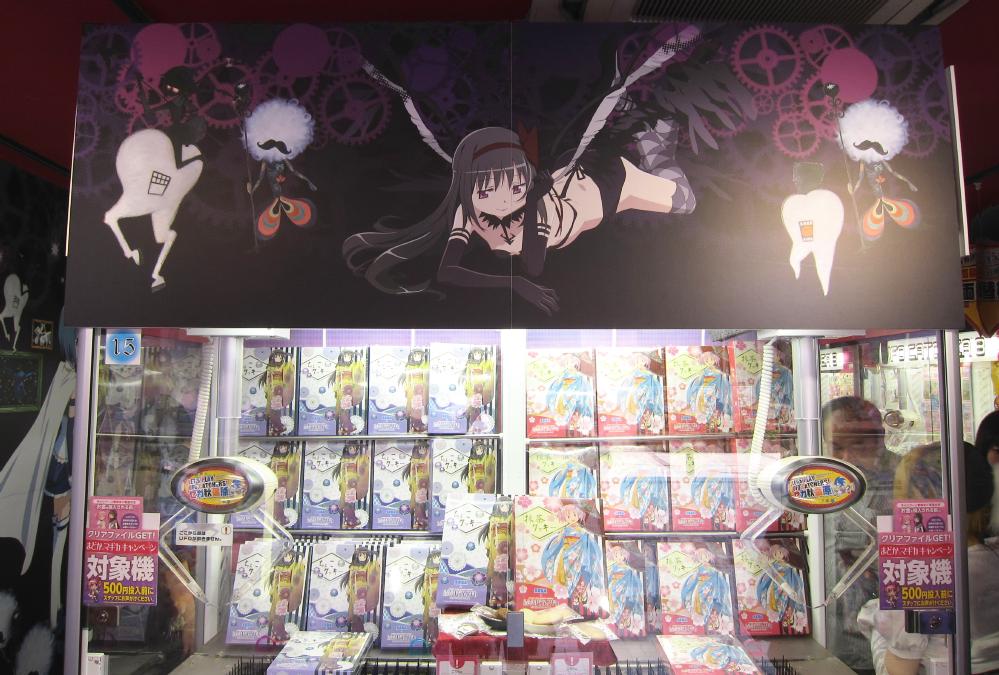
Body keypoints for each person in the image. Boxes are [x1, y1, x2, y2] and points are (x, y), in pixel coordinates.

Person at [859, 441, 999, 674]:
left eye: (902, 494)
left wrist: (878, 624)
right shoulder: (992, 558)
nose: (895, 504)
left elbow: (898, 671)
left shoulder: (920, 579)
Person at [822, 396, 901, 674]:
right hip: (833, 637)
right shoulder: (818, 481)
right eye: (836, 447)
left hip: (895, 645)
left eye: (858, 444)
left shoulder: (905, 480)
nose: (846, 458)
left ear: (879, 438)